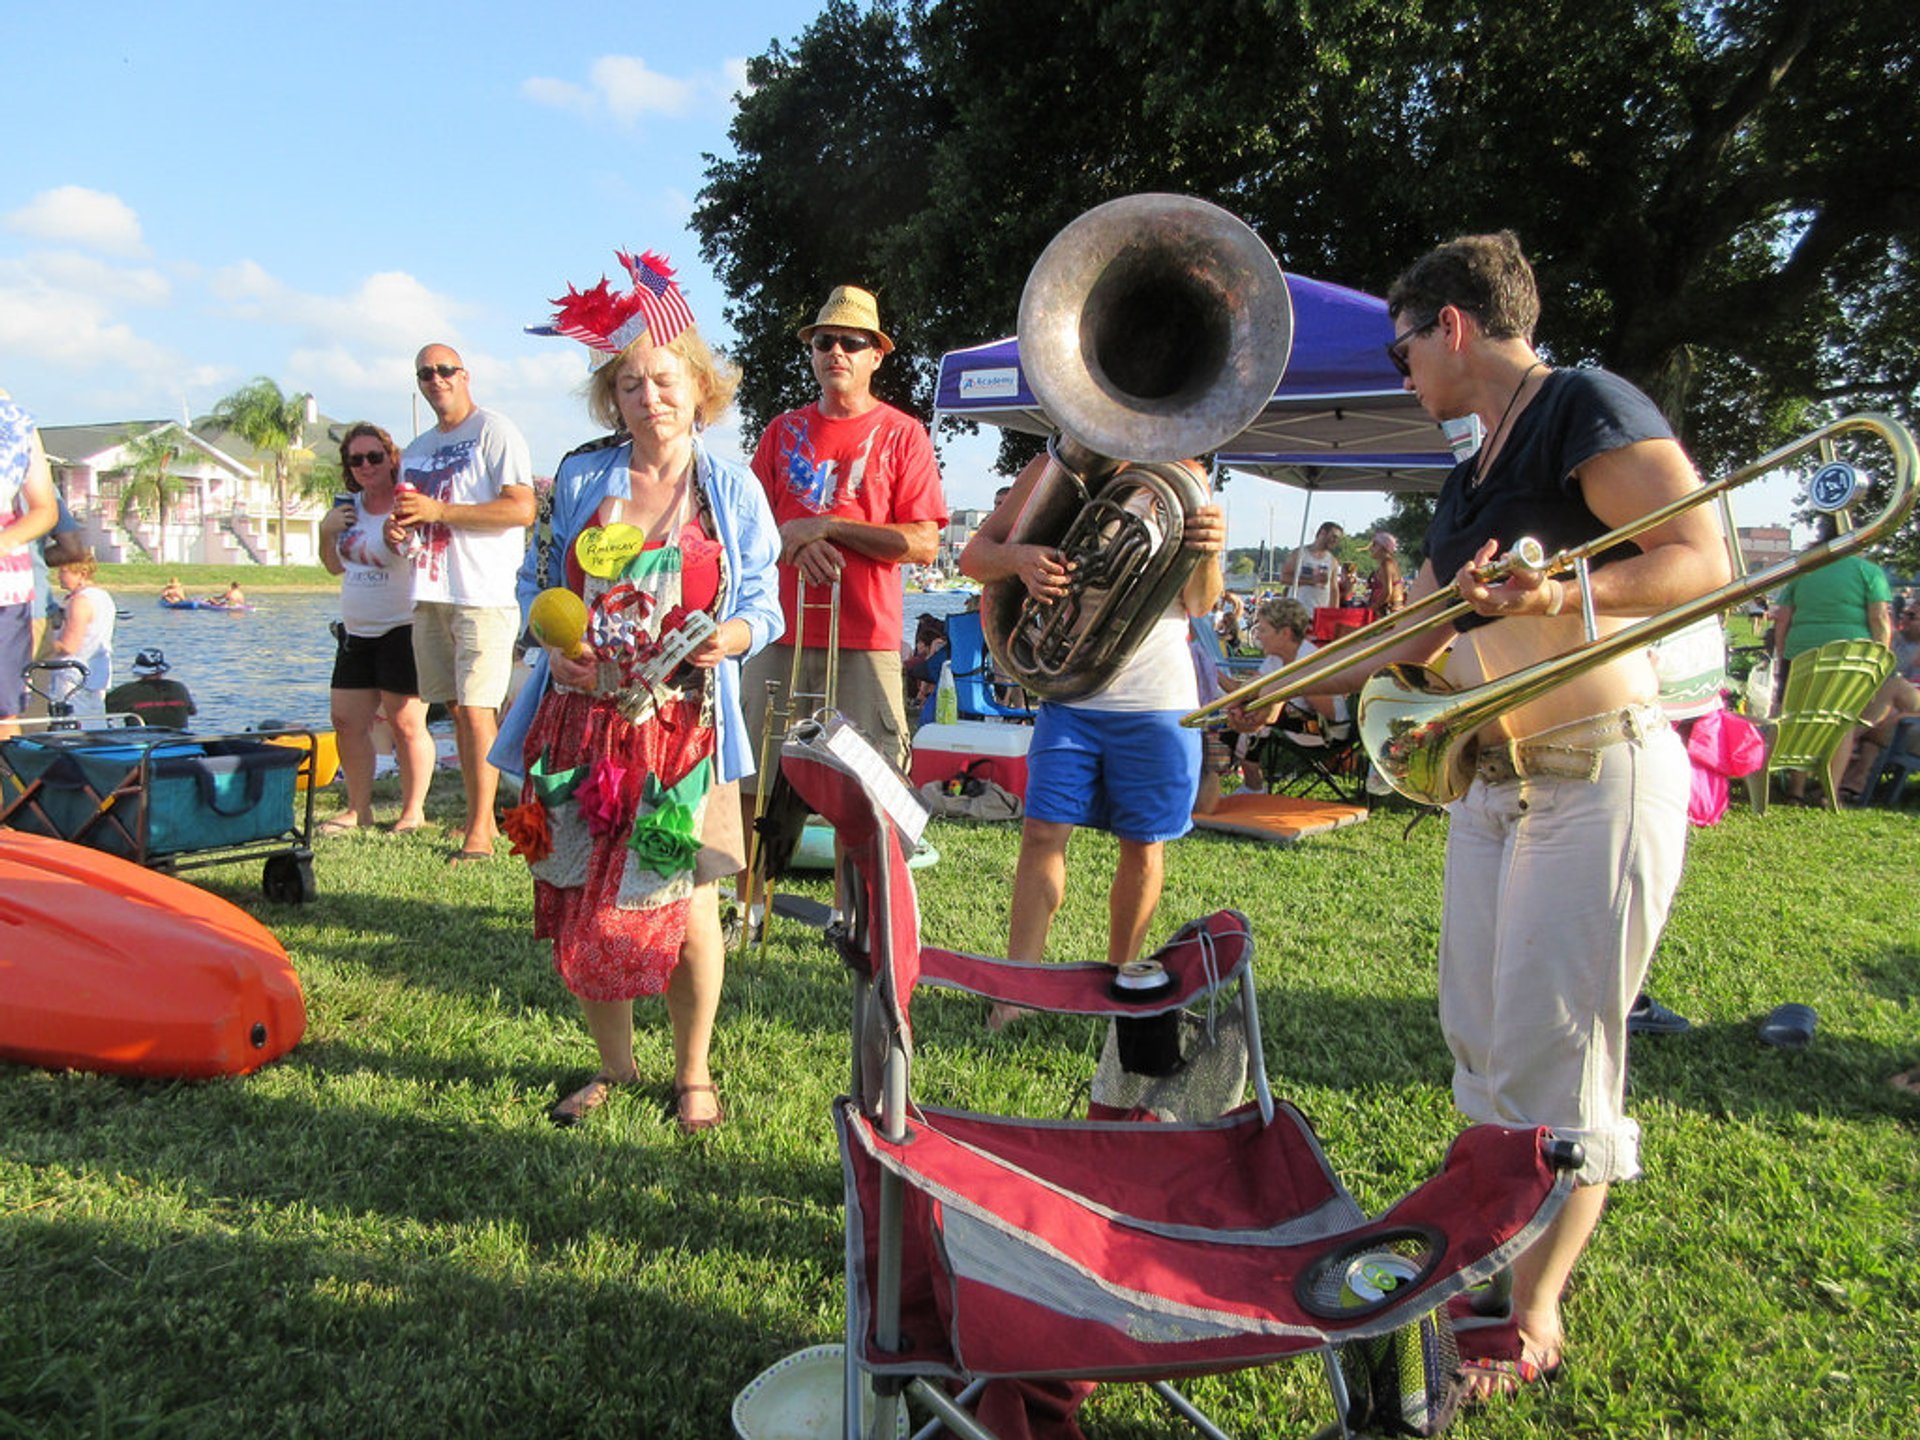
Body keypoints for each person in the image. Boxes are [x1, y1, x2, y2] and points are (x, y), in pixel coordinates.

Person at [1235, 230, 1728, 1401]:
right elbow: (1435, 631)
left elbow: (1699, 557)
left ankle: (1530, 1312)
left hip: (1598, 768)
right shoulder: (1470, 469)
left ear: (1450, 324)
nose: (1403, 372)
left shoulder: (1583, 405)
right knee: (1483, 1045)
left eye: (1405, 348)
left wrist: (1566, 587)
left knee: (1560, 1057)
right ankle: (1494, 1266)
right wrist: (1295, 682)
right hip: (1496, 783)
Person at [492, 251, 782, 1131]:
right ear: (610, 398)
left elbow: (762, 602)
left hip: (686, 729)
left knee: (689, 899)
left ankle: (693, 1070)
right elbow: (536, 583)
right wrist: (560, 645)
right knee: (584, 893)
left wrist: (725, 638)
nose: (647, 398)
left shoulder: (729, 488)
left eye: (663, 381)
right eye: (627, 385)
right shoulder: (581, 478)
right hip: (581, 721)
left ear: (699, 387)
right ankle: (613, 1064)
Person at [960, 453, 1225, 1028]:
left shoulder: (1187, 478)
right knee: (1042, 833)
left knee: (1143, 842)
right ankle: (1016, 991)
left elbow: (1201, 602)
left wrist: (1205, 551)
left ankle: (1120, 982)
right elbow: (973, 556)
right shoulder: (1055, 465)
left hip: (1156, 696)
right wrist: (1023, 560)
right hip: (1072, 690)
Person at [736, 285, 947, 929]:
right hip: (778, 632)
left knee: (871, 784)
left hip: (868, 640)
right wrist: (793, 541)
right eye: (824, 341)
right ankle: (748, 908)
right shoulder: (780, 432)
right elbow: (747, 531)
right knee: (756, 775)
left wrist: (825, 526)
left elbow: (923, 541)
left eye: (851, 342)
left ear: (876, 354)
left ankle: (857, 918)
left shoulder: (903, 435)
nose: (835, 351)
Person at [389, 342, 536, 863]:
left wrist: (439, 510)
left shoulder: (494, 431)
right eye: (425, 372)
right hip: (430, 592)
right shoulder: (418, 446)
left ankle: (481, 831)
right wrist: (399, 530)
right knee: (455, 708)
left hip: (482, 594)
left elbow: (522, 510)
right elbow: (416, 520)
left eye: (445, 369)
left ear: (465, 375)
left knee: (478, 711)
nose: (436, 379)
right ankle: (477, 816)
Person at [317, 423, 434, 835]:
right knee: (346, 720)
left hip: (401, 626)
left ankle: (412, 811)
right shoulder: (347, 508)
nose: (366, 466)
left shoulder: (405, 502)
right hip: (356, 631)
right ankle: (358, 809)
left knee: (405, 723)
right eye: (356, 460)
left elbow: (411, 550)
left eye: (374, 457)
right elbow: (334, 566)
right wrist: (326, 531)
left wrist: (395, 534)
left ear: (390, 459)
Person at [1769, 514, 1894, 800]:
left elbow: (1783, 619)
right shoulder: (1868, 572)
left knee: (1799, 718)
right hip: (1851, 657)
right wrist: (1880, 657)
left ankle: (1796, 789)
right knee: (1843, 722)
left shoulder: (1804, 569)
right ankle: (1830, 791)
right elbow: (1879, 618)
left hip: (1802, 655)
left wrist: (1781, 655)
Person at [1227, 596, 1347, 791]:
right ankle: (1251, 782)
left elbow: (1330, 714)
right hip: (1300, 724)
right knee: (1243, 710)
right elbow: (1246, 690)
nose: (1257, 636)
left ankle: (1252, 785)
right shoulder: (1276, 657)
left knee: (1255, 713)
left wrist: (1281, 695)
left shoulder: (1309, 660)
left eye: (1263, 630)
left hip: (1328, 733)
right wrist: (1213, 673)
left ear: (1284, 633)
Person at [0, 389, 59, 735]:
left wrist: (5, 541)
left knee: (4, 714)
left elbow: (44, 509)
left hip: (6, 592)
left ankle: (10, 788)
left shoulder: (14, 421)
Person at [47, 550, 115, 719]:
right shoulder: (103, 597)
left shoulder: (80, 601)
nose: (59, 576)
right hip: (96, 673)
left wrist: (33, 645)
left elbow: (68, 646)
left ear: (82, 574)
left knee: (73, 726)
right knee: (94, 720)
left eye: (64, 572)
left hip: (74, 677)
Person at [104, 647, 196, 729]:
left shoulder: (124, 692)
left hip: (144, 742)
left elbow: (102, 712)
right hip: (179, 740)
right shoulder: (179, 688)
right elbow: (192, 712)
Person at [1279, 520, 1344, 609]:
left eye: (1337, 539)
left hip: (1319, 612)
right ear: (1323, 533)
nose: (1335, 541)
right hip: (1297, 611)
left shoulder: (1332, 561)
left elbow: (1333, 590)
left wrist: (1333, 612)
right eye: (1333, 537)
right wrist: (1311, 581)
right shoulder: (1299, 554)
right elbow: (1284, 578)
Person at [1366, 530, 1407, 618]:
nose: (1370, 548)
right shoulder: (1387, 563)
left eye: (1374, 545)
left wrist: (1372, 609)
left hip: (1390, 611)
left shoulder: (1387, 564)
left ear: (1383, 547)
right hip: (1389, 610)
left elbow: (1387, 591)